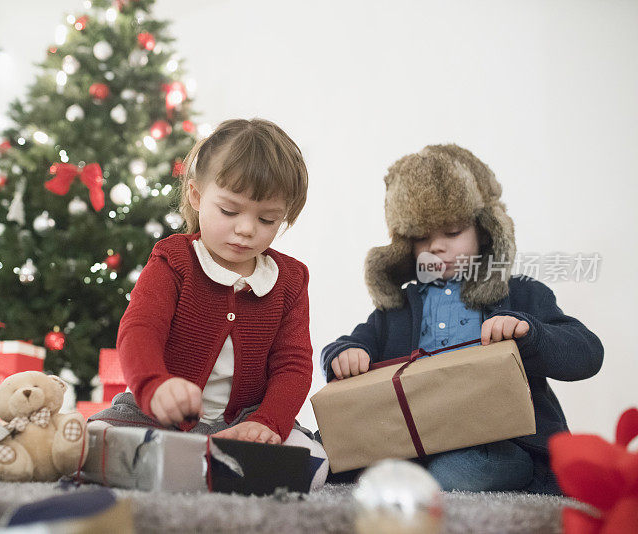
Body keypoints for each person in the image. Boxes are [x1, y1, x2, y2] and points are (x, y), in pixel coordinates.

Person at [321, 144, 603, 493]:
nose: (437, 246)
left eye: (452, 233)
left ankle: (422, 484)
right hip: (414, 441)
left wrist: (530, 334)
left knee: (463, 470)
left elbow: (587, 353)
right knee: (332, 457)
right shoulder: (399, 308)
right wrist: (346, 355)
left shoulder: (521, 292)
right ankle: (406, 478)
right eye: (422, 237)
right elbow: (346, 344)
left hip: (499, 444)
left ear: (484, 232)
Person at [91, 118, 328, 488]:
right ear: (197, 196)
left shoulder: (291, 280)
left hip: (244, 422)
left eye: (267, 219)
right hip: (158, 417)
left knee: (314, 463)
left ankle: (192, 468)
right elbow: (139, 331)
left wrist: (267, 422)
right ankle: (204, 468)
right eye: (230, 211)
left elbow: (294, 365)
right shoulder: (173, 259)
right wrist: (154, 386)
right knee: (97, 441)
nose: (247, 229)